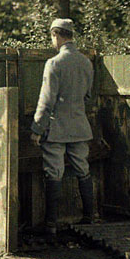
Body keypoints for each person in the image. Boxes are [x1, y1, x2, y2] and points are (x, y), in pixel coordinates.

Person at [30, 18, 94, 235]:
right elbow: (87, 96)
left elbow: (46, 101)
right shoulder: (86, 63)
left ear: (56, 35)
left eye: (52, 37)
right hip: (79, 127)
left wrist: (37, 129)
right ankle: (89, 217)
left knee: (54, 173)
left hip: (56, 130)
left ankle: (51, 225)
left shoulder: (54, 64)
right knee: (83, 170)